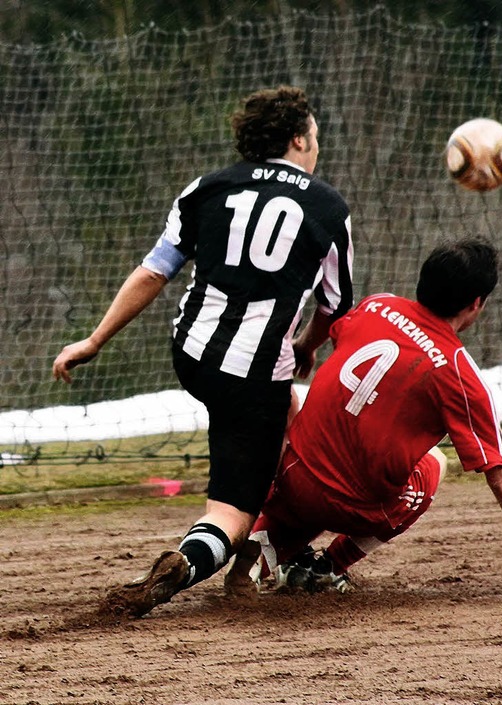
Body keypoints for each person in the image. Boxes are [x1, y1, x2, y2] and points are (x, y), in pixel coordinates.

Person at [52, 85, 355, 617]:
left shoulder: (205, 189)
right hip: (255, 375)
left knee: (284, 413)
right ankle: (200, 561)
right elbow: (335, 309)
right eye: (316, 136)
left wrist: (94, 340)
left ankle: (267, 544)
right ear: (298, 139)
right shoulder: (329, 208)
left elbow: (153, 271)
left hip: (191, 353)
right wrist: (305, 345)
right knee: (234, 510)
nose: (318, 145)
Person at [226, 238, 502, 596]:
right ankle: (329, 567)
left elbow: (343, 340)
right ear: (476, 304)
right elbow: (501, 475)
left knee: (294, 414)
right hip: (350, 504)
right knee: (433, 464)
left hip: (290, 474)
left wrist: (307, 348)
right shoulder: (458, 371)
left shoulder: (377, 305)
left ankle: (262, 550)